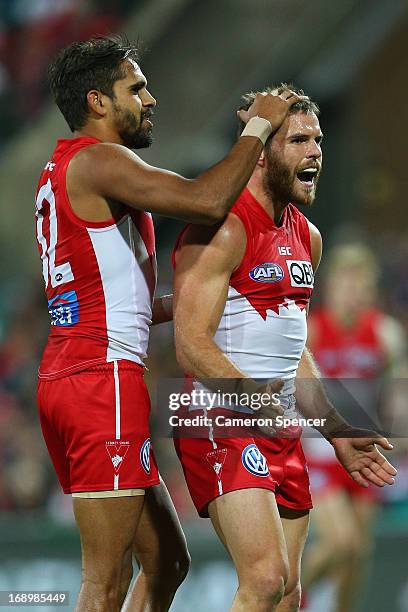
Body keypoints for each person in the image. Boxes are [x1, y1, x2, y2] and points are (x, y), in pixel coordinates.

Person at [35, 35, 305, 612]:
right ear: (98, 102)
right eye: (136, 87)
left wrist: (204, 298)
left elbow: (103, 290)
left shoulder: (63, 170)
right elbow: (206, 201)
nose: (150, 99)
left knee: (167, 561)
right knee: (104, 580)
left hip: (74, 372)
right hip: (100, 377)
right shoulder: (101, 159)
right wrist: (256, 130)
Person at [172, 84, 397, 612]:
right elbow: (190, 344)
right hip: (219, 419)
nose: (315, 150)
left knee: (289, 596)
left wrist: (336, 429)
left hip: (281, 424)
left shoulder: (308, 238)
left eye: (318, 139)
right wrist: (253, 400)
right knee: (267, 579)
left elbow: (292, 349)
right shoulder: (224, 228)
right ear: (262, 152)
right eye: (298, 140)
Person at [301, 243, 406, 612]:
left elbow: (396, 389)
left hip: (365, 450)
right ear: (332, 286)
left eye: (360, 284)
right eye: (346, 282)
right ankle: (293, 598)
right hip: (320, 450)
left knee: (358, 552)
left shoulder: (384, 333)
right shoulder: (312, 330)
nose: (353, 291)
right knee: (341, 542)